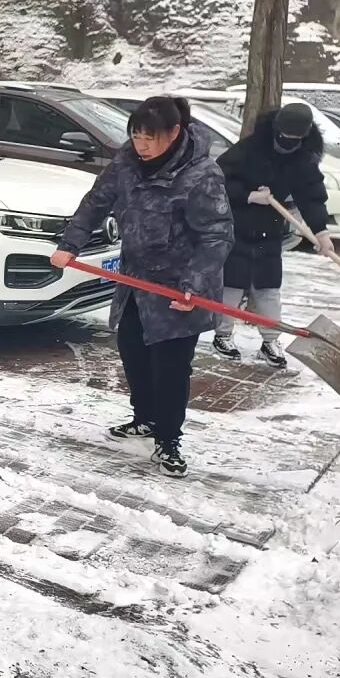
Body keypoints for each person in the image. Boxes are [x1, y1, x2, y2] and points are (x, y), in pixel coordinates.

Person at [51, 97, 234, 478]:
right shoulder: (127, 162)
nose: (141, 145)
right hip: (136, 282)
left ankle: (168, 438)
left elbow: (216, 235)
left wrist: (194, 285)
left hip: (178, 288)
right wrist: (70, 244)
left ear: (175, 132)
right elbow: (96, 202)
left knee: (170, 366)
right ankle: (145, 418)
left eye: (150, 138)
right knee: (133, 351)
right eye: (136, 136)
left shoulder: (201, 174)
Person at [212, 103, 335, 368]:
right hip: (238, 227)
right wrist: (248, 195)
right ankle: (222, 335)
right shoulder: (250, 149)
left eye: (293, 139)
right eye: (283, 137)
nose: (286, 144)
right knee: (231, 284)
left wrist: (321, 232)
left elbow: (312, 196)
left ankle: (270, 340)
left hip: (270, 230)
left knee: (268, 287)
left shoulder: (303, 158)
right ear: (276, 129)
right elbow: (218, 179)